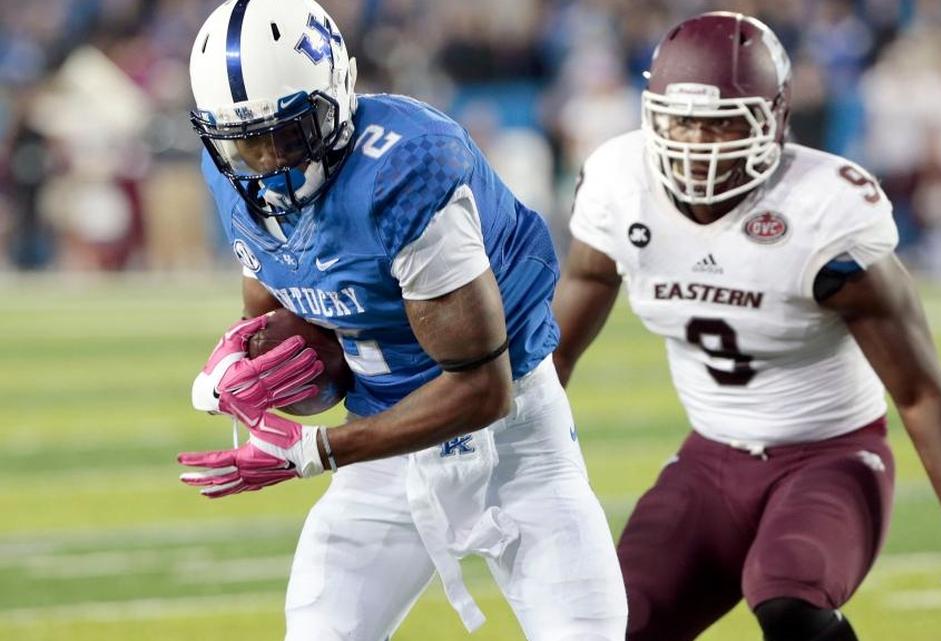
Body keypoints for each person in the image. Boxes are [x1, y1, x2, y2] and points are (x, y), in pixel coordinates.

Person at [552, 12, 941, 641]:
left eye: (721, 122)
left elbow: (919, 388)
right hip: (709, 457)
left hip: (831, 454)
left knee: (789, 597)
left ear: (774, 117)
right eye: (682, 121)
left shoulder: (822, 213)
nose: (698, 142)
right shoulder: (620, 186)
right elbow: (554, 352)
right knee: (619, 621)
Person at [175, 1, 626, 640]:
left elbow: (482, 389)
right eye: (246, 143)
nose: (270, 163)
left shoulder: (404, 168)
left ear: (337, 94)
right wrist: (253, 369)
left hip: (514, 442)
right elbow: (305, 340)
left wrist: (316, 451)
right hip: (384, 450)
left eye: (288, 133)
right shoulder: (233, 181)